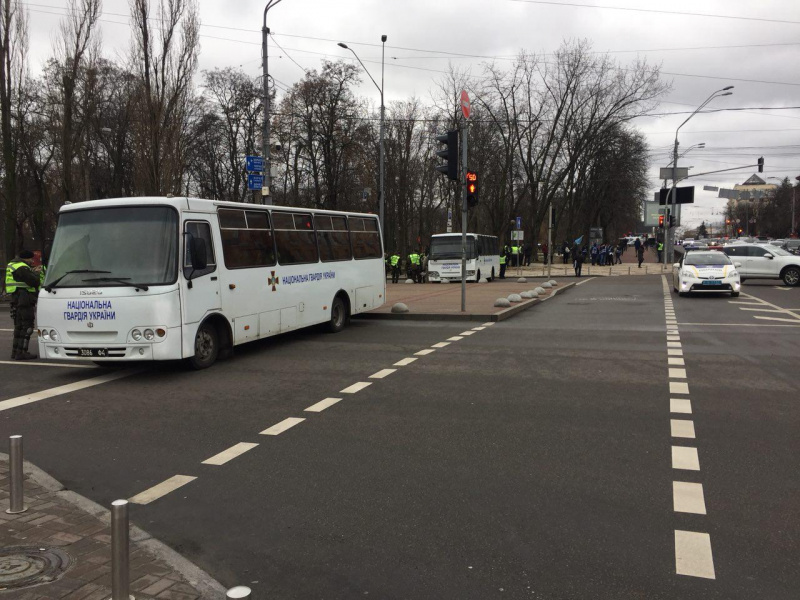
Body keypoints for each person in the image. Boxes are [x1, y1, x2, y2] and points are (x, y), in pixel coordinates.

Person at [5, 250, 40, 360]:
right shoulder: (22, 267)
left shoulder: (12, 264)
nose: (31, 261)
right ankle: (22, 352)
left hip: (16, 299)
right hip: (25, 299)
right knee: (27, 326)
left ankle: (15, 352)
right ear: (26, 258)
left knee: (19, 326)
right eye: (30, 259)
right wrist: (36, 273)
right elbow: (34, 281)